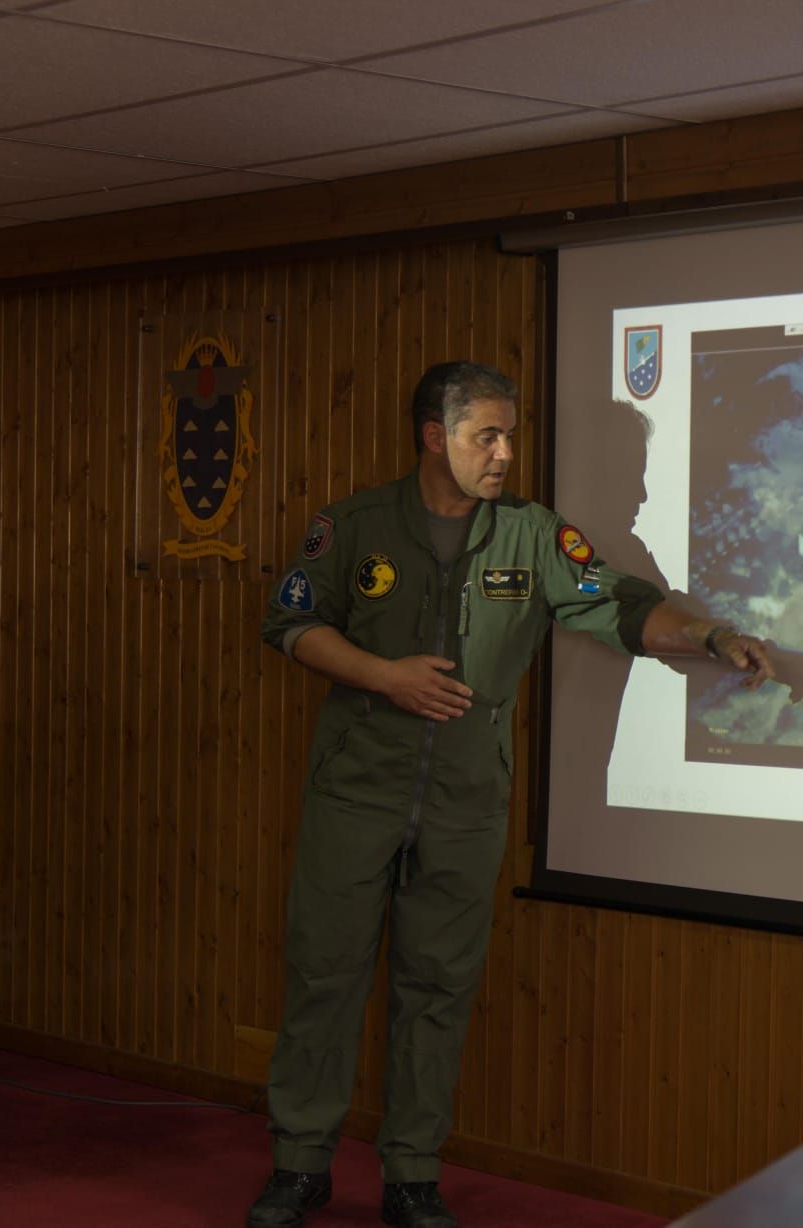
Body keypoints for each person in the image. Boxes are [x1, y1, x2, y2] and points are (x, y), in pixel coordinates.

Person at [248, 362, 776, 1228]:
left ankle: (412, 1173)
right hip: (356, 792)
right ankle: (299, 1163)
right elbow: (292, 624)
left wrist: (714, 635)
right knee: (324, 978)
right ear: (433, 435)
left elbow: (620, 609)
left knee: (438, 986)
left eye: (509, 436)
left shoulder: (532, 536)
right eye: (484, 436)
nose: (503, 453)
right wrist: (385, 678)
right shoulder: (353, 526)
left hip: (465, 801)